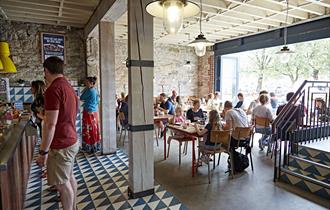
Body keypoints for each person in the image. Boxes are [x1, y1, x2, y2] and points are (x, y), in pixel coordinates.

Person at [36, 56, 79, 210]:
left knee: (62, 184)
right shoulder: (68, 86)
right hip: (72, 140)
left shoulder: (53, 89)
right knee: (69, 177)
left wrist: (43, 151)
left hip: (61, 144)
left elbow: (50, 123)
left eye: (44, 72)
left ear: (46, 70)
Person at [80, 76, 101, 153]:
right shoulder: (95, 90)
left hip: (88, 111)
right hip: (94, 111)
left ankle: (89, 147)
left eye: (87, 82)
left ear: (92, 83)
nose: (85, 83)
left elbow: (81, 98)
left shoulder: (89, 90)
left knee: (88, 129)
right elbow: (98, 101)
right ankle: (95, 146)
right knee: (94, 128)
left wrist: (85, 90)